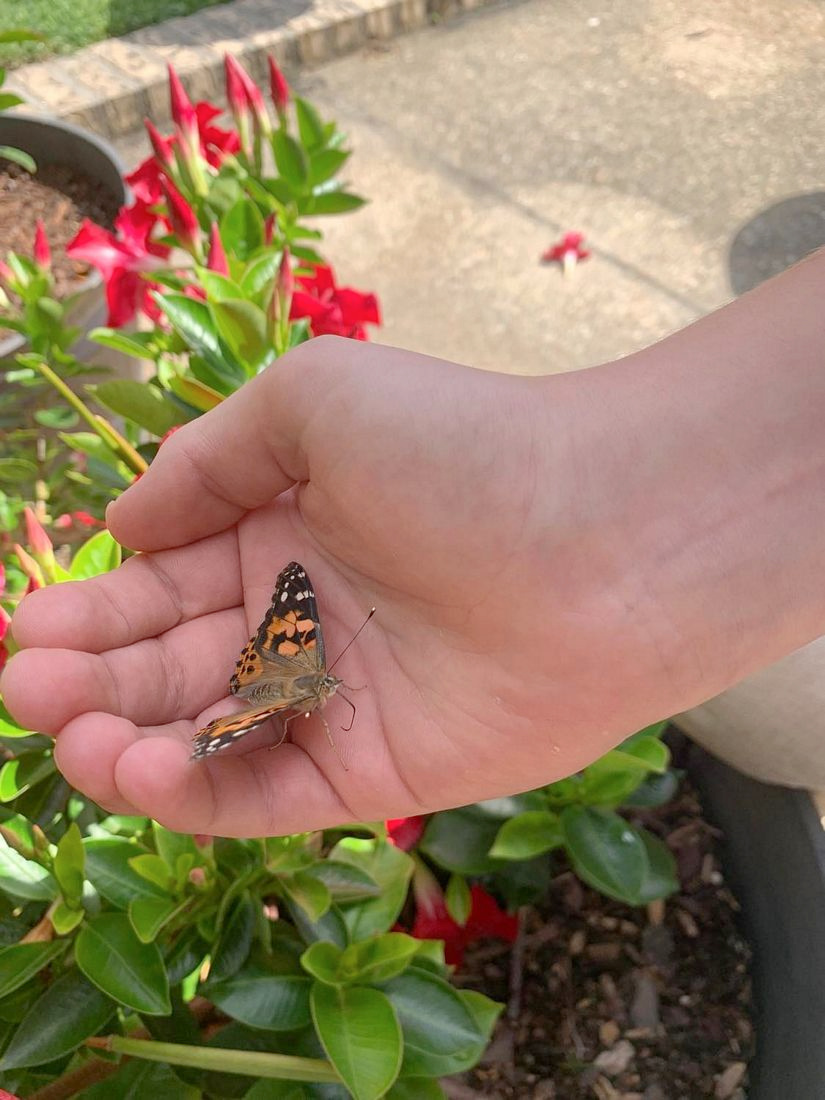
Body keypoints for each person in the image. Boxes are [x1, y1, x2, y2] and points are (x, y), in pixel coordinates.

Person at [3, 250, 825, 838]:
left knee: (266, 686)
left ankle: (253, 703)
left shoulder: (304, 664)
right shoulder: (310, 666)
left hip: (267, 687)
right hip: (267, 689)